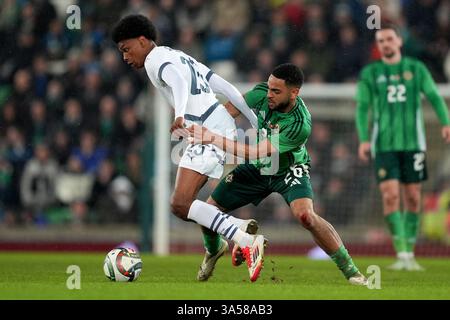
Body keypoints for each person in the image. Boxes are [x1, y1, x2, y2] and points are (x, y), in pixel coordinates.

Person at [112, 14, 266, 282]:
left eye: (126, 49)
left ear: (142, 40)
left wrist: (179, 115)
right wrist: (254, 120)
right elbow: (224, 86)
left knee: (180, 204)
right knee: (184, 204)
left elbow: (180, 85)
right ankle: (216, 245)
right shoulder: (179, 55)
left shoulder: (154, 60)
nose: (125, 57)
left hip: (206, 130)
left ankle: (242, 236)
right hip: (215, 125)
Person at [189, 63, 368, 286]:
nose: (269, 94)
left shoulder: (299, 124)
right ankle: (214, 250)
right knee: (208, 210)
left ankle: (351, 271)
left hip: (289, 169)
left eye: (276, 91)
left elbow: (255, 151)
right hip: (259, 166)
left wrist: (211, 138)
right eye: (269, 87)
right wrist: (204, 128)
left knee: (306, 216)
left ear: (294, 93)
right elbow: (229, 111)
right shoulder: (262, 93)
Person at [355, 24, 450, 271]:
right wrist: (364, 139)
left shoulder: (416, 69)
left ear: (399, 41)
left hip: (413, 145)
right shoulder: (371, 73)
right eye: (380, 40)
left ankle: (410, 251)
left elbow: (435, 97)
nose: (384, 43)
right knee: (390, 196)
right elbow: (362, 108)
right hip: (384, 145)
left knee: (411, 196)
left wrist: (446, 123)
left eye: (389, 39)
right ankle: (402, 253)